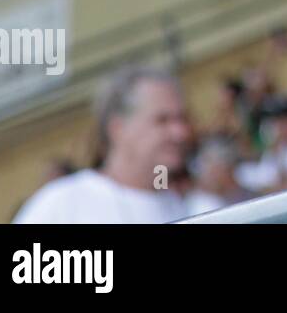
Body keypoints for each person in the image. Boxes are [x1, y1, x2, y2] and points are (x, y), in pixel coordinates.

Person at [14, 66, 194, 223]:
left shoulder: (181, 207)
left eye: (182, 119)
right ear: (118, 128)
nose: (180, 133)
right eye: (162, 120)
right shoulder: (62, 204)